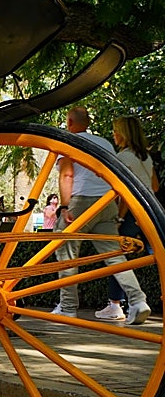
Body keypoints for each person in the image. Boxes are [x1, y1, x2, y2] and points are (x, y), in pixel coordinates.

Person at [52, 106, 151, 323]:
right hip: (106, 203)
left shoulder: (68, 141)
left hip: (81, 201)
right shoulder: (105, 143)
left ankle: (68, 307)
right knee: (114, 255)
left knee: (66, 251)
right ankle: (138, 301)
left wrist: (64, 206)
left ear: (69, 122)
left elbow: (67, 175)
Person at [97, 115, 158, 321]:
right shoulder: (145, 157)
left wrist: (120, 218)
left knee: (118, 257)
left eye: (116, 131)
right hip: (150, 210)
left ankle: (115, 305)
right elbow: (155, 186)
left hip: (131, 212)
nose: (113, 135)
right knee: (156, 255)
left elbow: (124, 193)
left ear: (123, 134)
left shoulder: (122, 157)